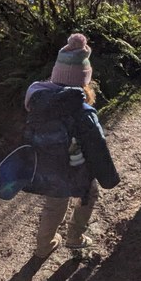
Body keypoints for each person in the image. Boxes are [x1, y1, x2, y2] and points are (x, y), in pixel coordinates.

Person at [23, 33, 106, 258]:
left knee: (54, 203)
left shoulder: (38, 99)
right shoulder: (83, 110)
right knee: (88, 196)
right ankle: (75, 237)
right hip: (77, 166)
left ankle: (44, 246)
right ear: (84, 80)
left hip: (48, 164)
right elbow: (98, 143)